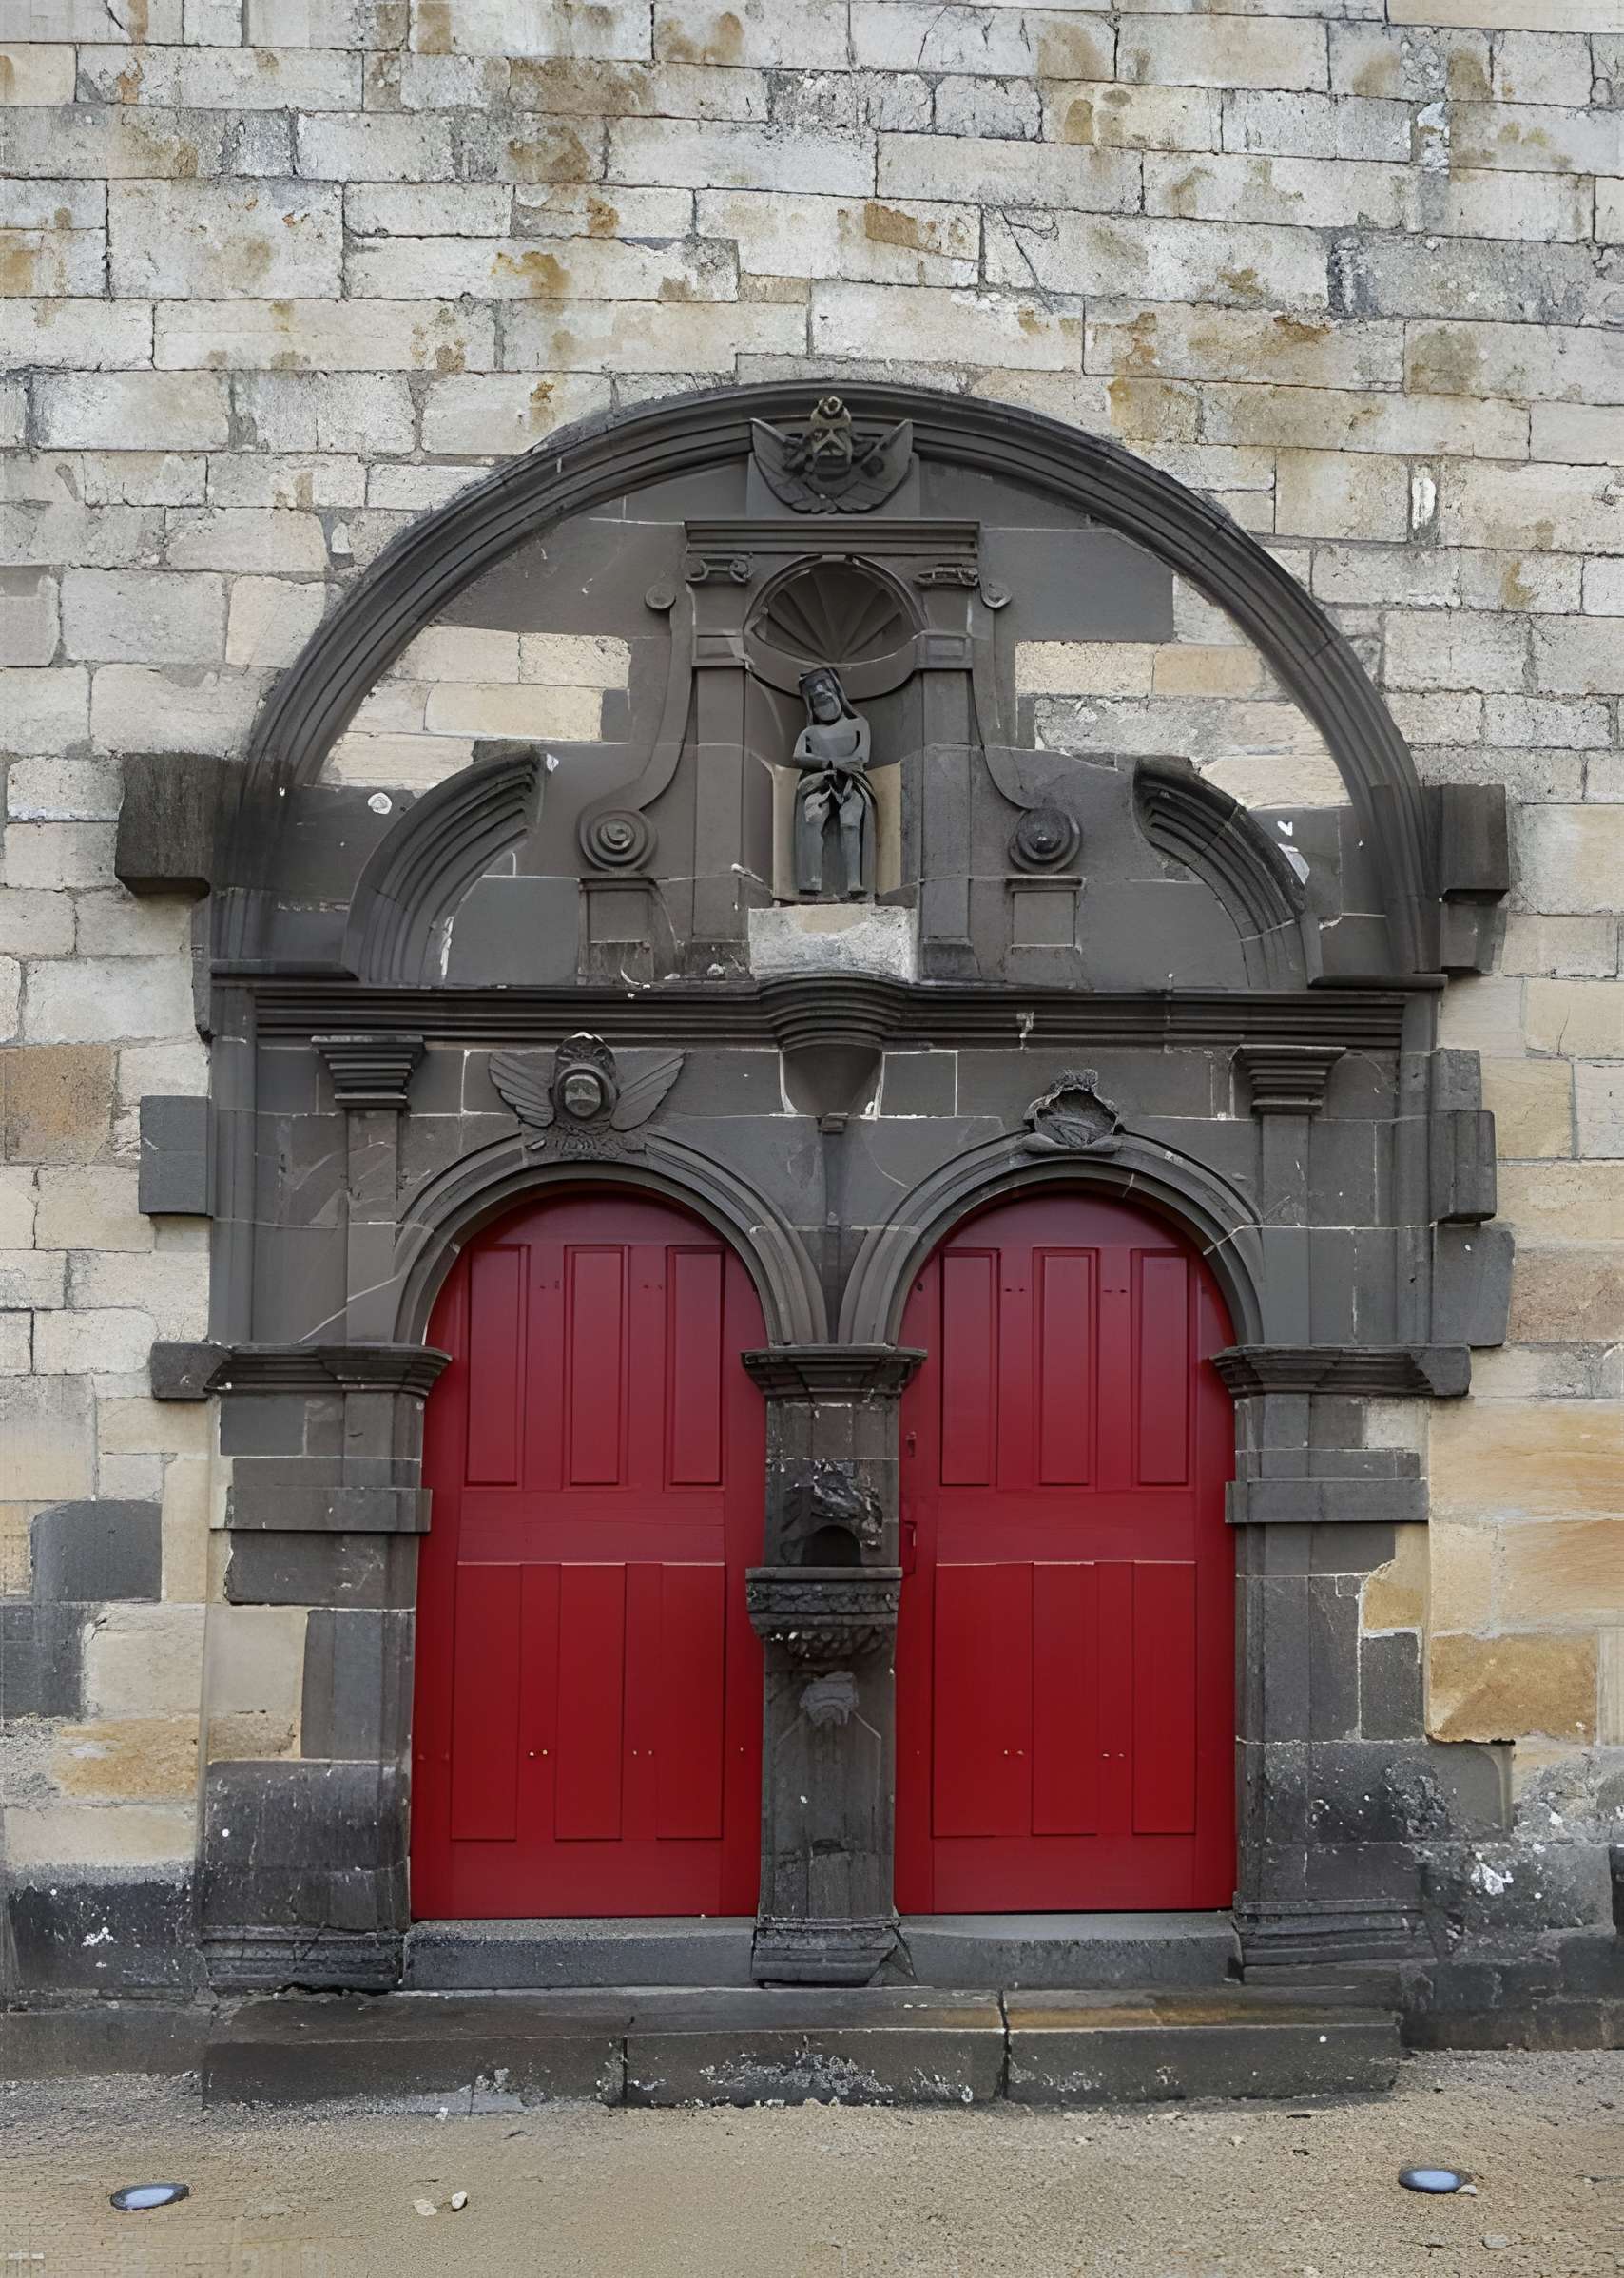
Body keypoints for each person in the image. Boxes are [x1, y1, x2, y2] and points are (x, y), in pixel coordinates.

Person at [791, 666, 873, 899]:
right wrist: (829, 764)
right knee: (813, 820)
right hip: (820, 782)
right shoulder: (810, 733)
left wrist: (841, 766)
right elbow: (798, 756)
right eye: (815, 696)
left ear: (837, 694)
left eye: (826, 690)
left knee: (850, 823)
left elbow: (861, 757)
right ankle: (811, 881)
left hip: (852, 782)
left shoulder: (859, 724)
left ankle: (854, 883)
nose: (821, 695)